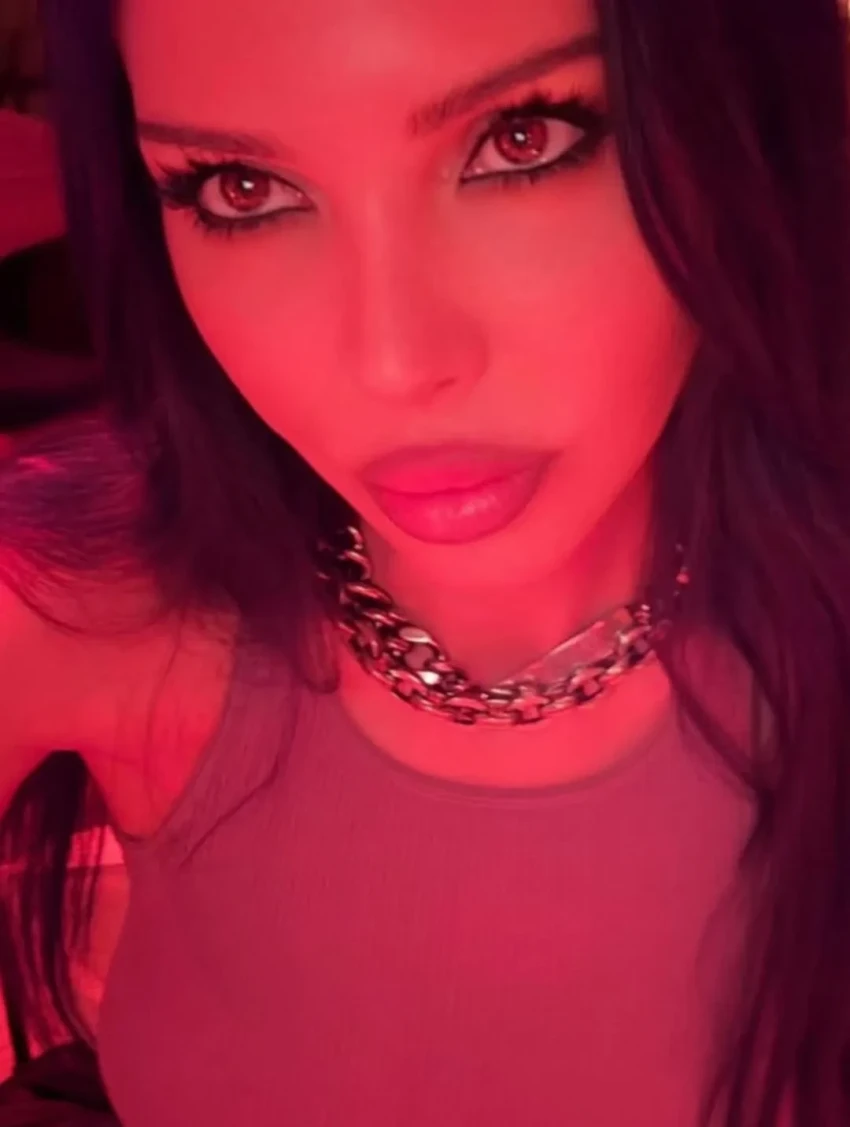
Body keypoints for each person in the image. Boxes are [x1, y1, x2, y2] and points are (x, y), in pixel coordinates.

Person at [1, 0, 850, 1123]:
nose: (393, 364)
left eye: (523, 140)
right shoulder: (80, 609)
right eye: (239, 189)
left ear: (745, 128)